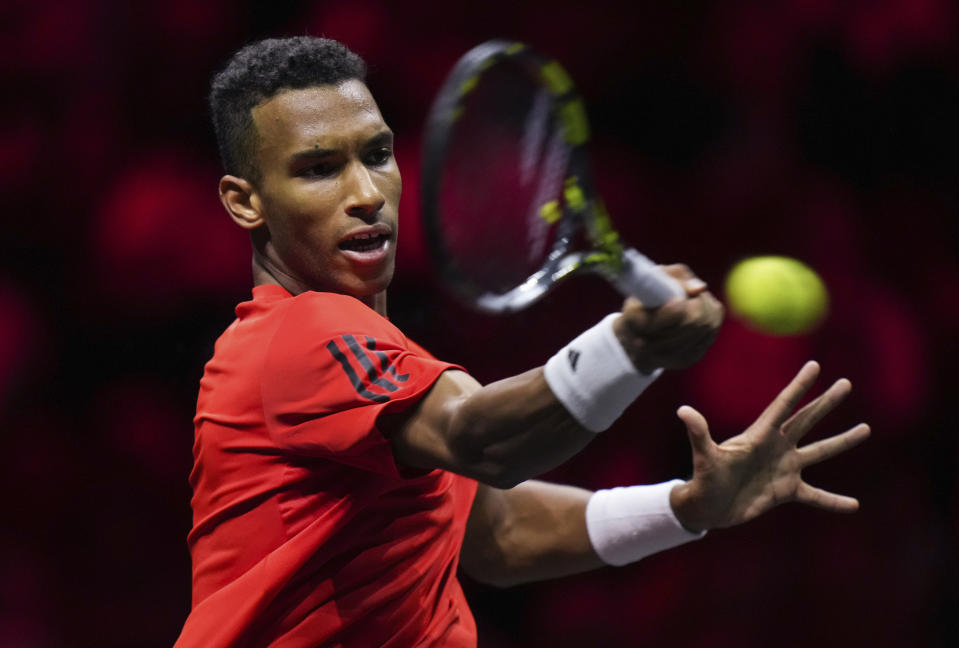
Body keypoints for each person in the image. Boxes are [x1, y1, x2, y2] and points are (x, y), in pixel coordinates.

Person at [175, 37, 870, 647]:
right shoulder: (301, 334)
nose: (366, 193)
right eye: (318, 168)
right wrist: (630, 347)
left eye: (377, 154)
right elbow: (484, 442)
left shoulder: (376, 374)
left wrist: (684, 507)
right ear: (245, 201)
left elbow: (497, 533)